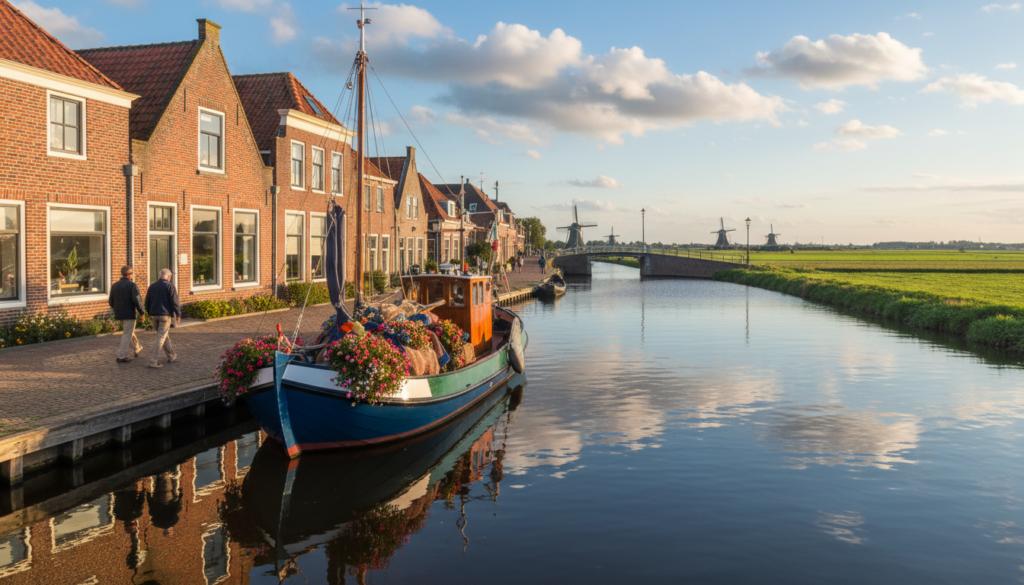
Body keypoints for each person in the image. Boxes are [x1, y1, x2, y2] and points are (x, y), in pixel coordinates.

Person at [144, 268, 180, 368]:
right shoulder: (169, 286)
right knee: (161, 337)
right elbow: (175, 301)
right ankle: (153, 360)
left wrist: (149, 312)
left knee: (164, 335)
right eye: (170, 277)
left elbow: (147, 302)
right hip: (165, 315)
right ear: (169, 276)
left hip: (154, 315)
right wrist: (178, 314)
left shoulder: (152, 286)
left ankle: (171, 355)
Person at [109, 265, 144, 363]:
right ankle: (121, 355)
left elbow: (111, 301)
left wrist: (117, 309)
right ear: (128, 275)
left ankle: (137, 346)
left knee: (129, 331)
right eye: (131, 273)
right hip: (129, 314)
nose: (132, 275)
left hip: (119, 313)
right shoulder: (132, 285)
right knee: (127, 334)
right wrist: (142, 312)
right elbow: (137, 300)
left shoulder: (114, 285)